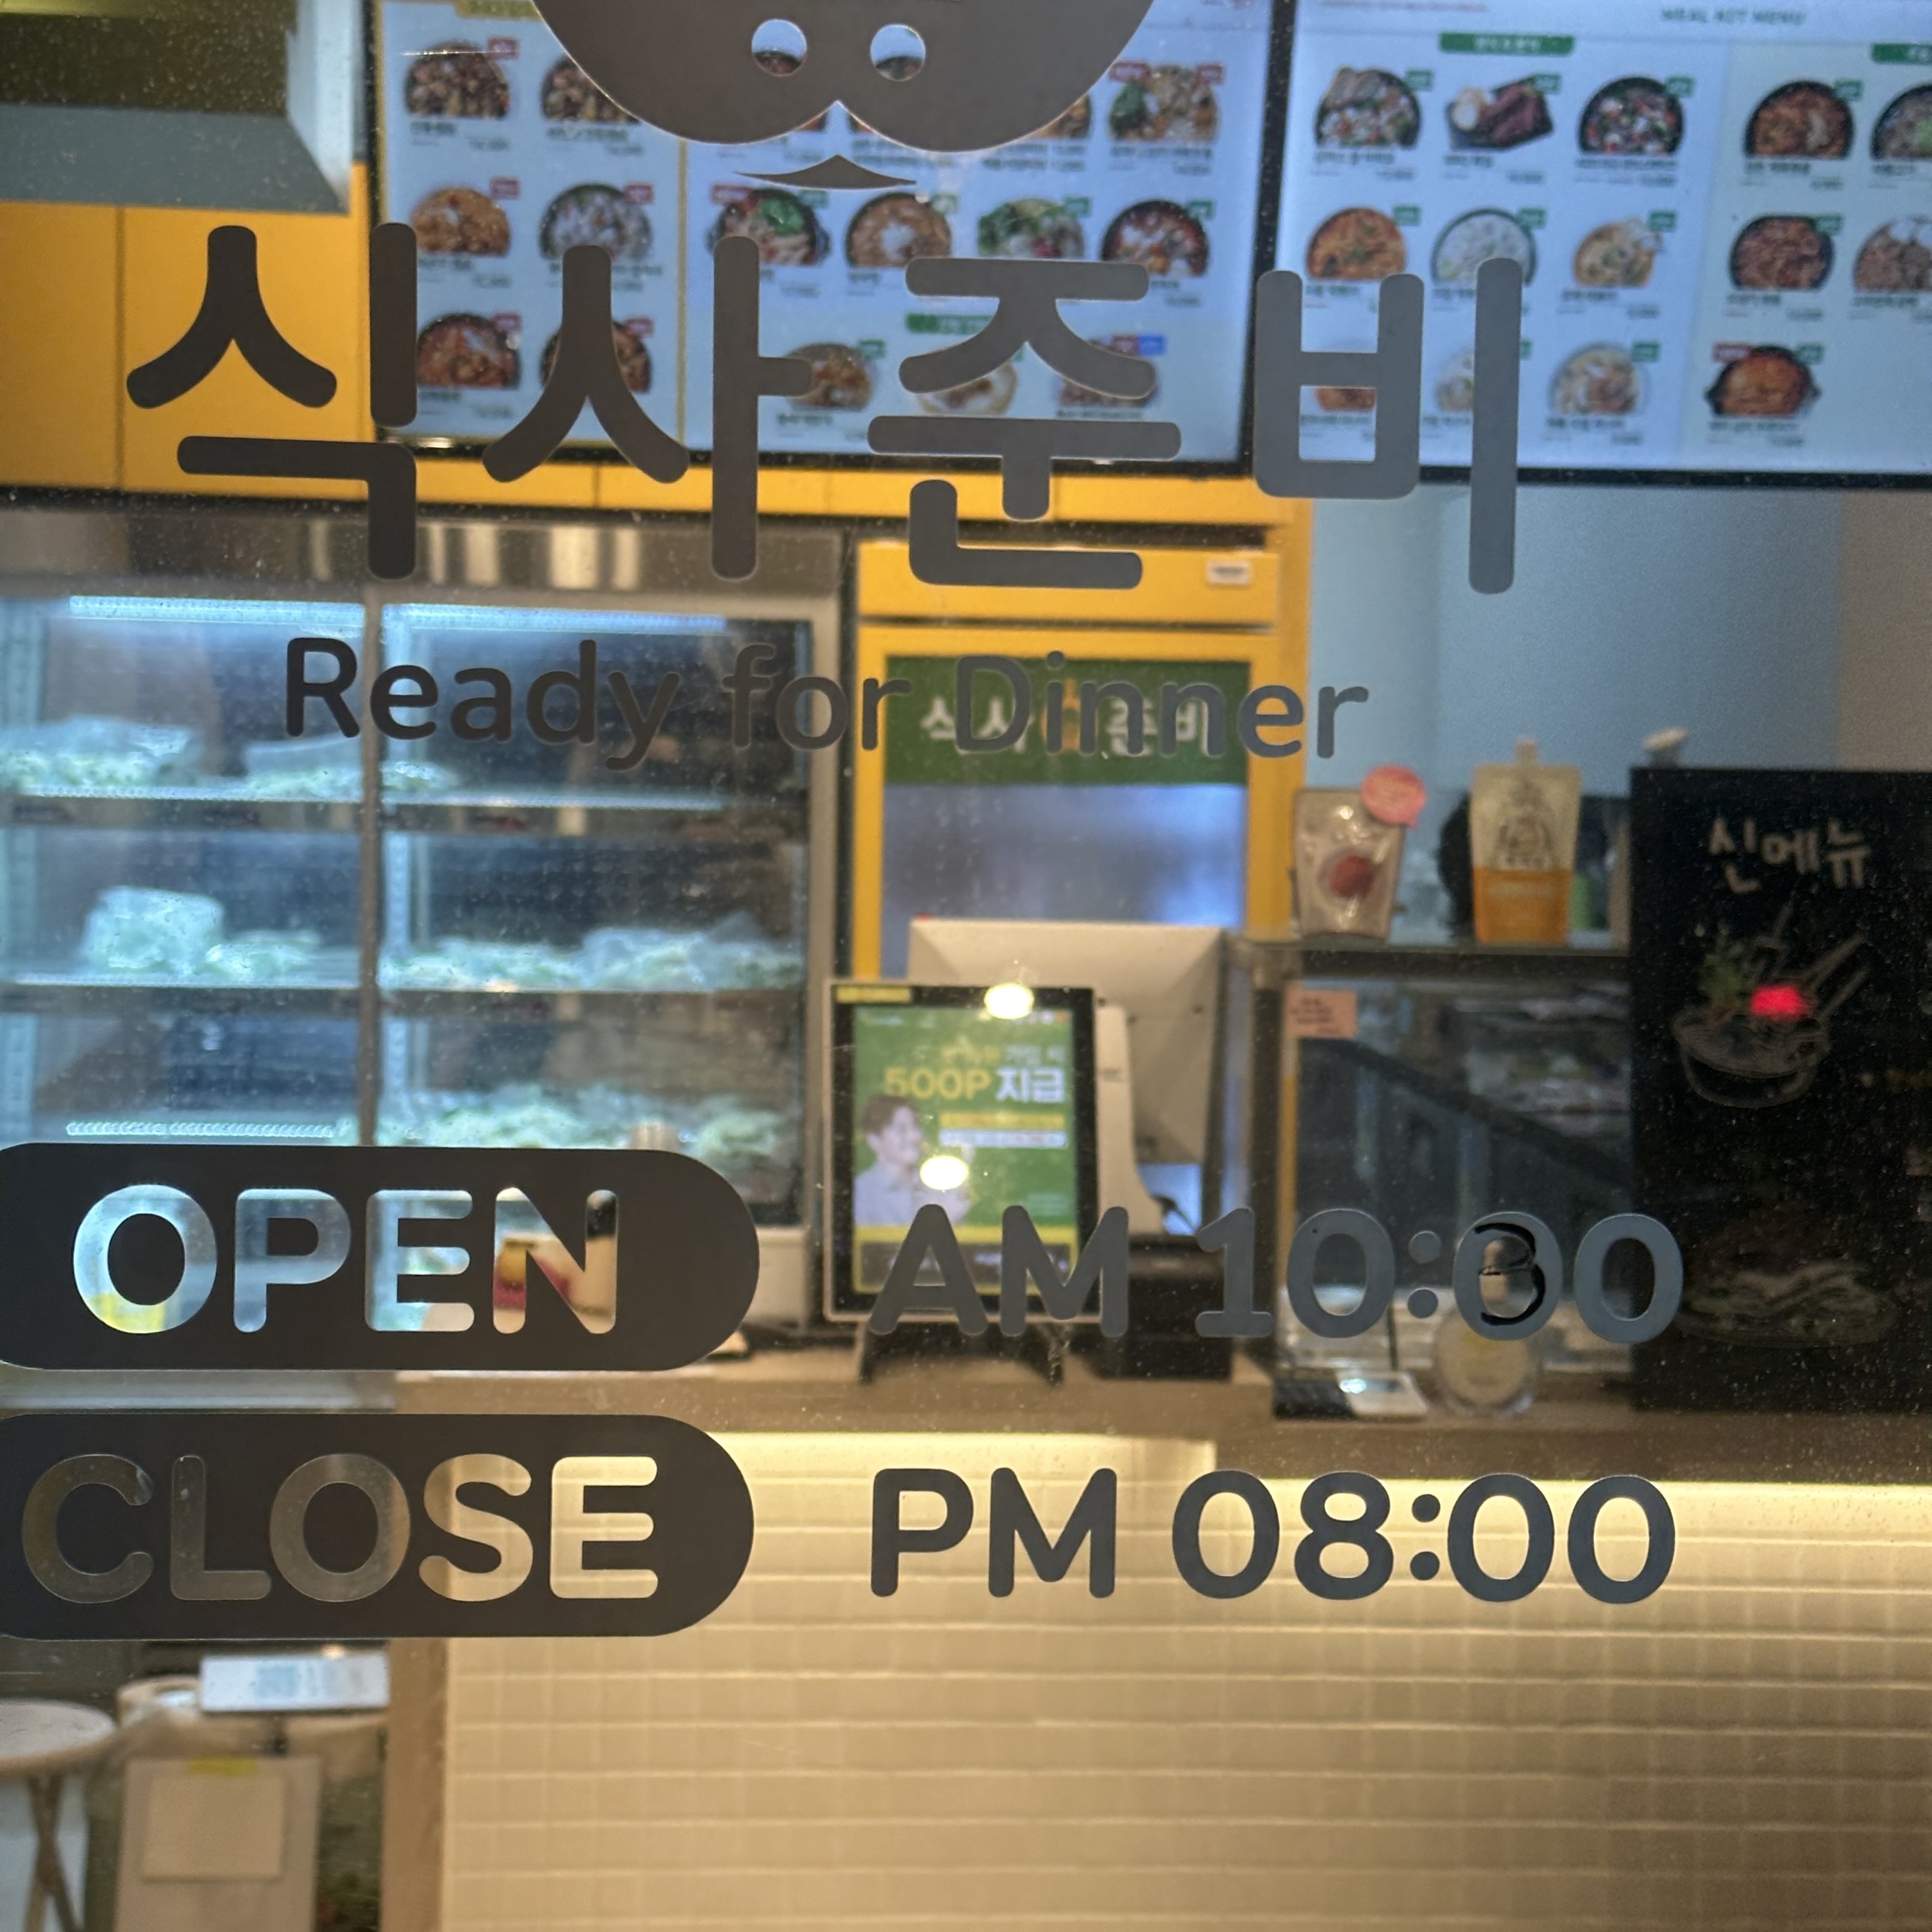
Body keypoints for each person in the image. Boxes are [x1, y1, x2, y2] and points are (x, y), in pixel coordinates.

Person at [852, 1093, 971, 1228]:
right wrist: (943, 1220)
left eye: (915, 1127)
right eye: (901, 1130)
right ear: (874, 1140)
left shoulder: (937, 1186)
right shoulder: (860, 1192)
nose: (914, 1136)